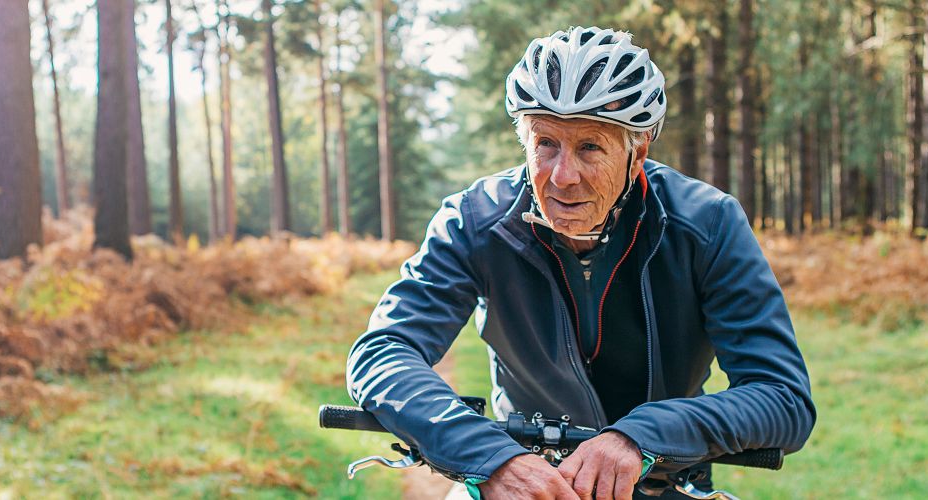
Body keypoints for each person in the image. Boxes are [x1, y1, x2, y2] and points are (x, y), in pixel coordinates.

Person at [344, 27, 814, 500]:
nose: (563, 176)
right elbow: (382, 353)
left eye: (590, 147)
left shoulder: (707, 223)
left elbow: (782, 396)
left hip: (662, 482)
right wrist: (488, 456)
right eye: (546, 143)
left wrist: (642, 435)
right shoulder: (475, 220)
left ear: (637, 155)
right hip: (521, 478)